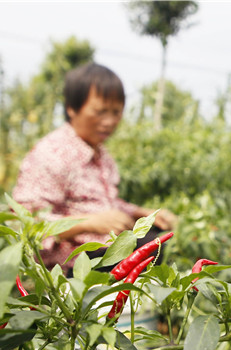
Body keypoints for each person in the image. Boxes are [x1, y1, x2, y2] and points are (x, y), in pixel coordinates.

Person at [13, 63, 177, 272]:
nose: (109, 122)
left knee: (159, 239)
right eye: (100, 112)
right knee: (148, 247)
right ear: (72, 108)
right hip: (71, 265)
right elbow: (26, 222)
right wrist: (89, 222)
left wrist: (142, 213)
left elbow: (105, 203)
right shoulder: (52, 154)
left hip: (105, 251)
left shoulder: (101, 156)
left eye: (116, 112)